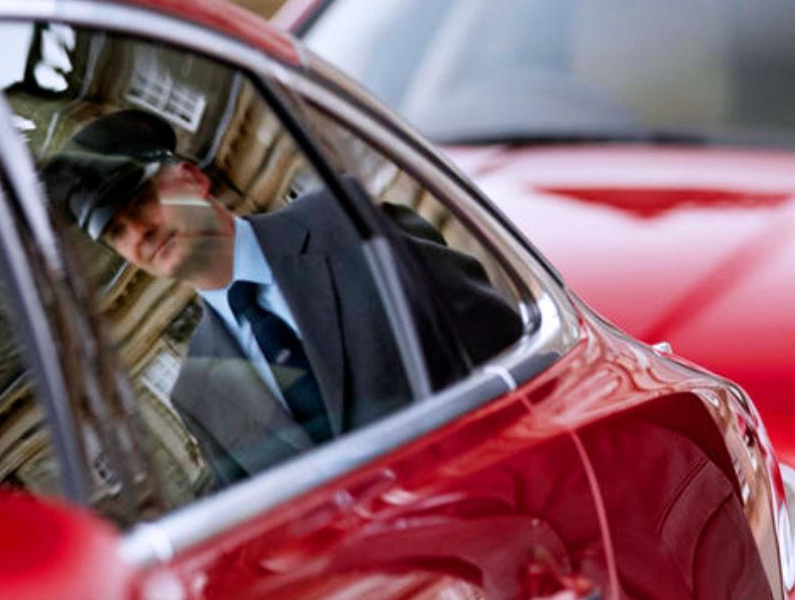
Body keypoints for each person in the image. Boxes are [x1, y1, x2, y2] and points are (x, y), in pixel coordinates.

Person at [42, 108, 524, 487]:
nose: (140, 234)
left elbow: (508, 351)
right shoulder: (197, 393)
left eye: (141, 201)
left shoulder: (345, 224)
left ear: (192, 178)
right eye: (116, 232)